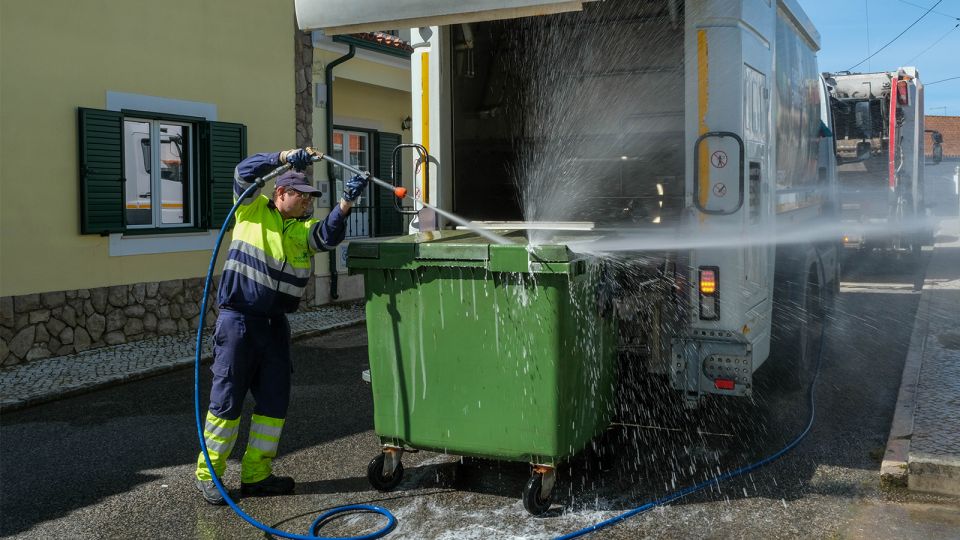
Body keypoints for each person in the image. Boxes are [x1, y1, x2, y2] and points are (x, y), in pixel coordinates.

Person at [194, 147, 368, 505]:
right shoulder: (250, 209)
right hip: (238, 320)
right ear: (280, 193)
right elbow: (244, 169)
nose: (307, 202)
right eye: (301, 196)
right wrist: (285, 157)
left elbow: (327, 236)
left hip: (275, 326)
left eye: (310, 198)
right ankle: (209, 474)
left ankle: (257, 475)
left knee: (273, 402)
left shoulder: (302, 230)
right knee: (227, 401)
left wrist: (346, 204)